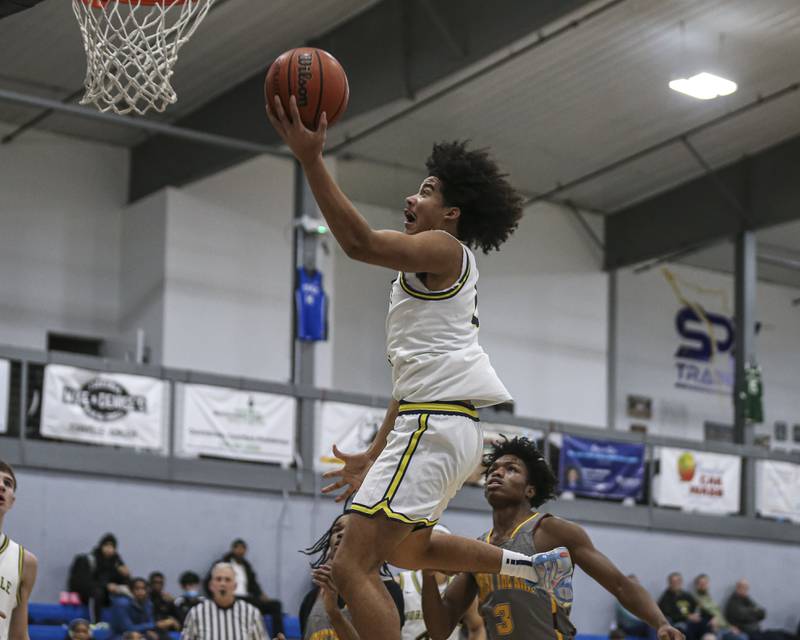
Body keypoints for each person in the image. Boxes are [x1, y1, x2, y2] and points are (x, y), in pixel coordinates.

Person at [267, 95, 571, 640]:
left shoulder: (444, 248)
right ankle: (532, 567)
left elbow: (358, 243)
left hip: (433, 426)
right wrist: (374, 452)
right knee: (410, 550)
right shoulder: (438, 271)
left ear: (451, 213)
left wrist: (311, 159)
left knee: (350, 566)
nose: (412, 197)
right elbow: (411, 384)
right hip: (437, 424)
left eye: (427, 191)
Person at [417, 437, 684, 640]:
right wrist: (428, 575)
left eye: (511, 469)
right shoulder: (477, 550)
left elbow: (620, 585)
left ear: (530, 489)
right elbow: (440, 630)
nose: (497, 473)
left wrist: (660, 622)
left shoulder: (552, 532)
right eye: (494, 469)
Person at [298, 513, 405, 640]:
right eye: (336, 530)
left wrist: (334, 614)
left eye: (350, 530)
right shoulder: (311, 598)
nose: (341, 534)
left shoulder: (389, 591)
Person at [397, 525, 485, 640]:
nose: (437, 553)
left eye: (441, 548)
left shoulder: (460, 587)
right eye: (433, 548)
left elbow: (477, 627)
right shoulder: (401, 582)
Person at [206, 539, 284, 636]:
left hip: (248, 599)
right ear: (233, 549)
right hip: (231, 598)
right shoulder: (222, 565)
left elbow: (254, 585)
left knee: (275, 605)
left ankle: (278, 636)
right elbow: (209, 582)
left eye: (243, 548)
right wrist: (215, 596)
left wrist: (262, 596)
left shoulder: (246, 566)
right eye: (238, 548)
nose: (240, 551)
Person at [0, 460, 39, 640]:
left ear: (12, 501)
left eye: (7, 483)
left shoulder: (24, 561)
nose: (1, 486)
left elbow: (18, 635)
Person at [182, 563, 266, 640]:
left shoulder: (251, 613)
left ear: (235, 586)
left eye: (227, 580)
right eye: (218, 579)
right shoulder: (196, 613)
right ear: (211, 585)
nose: (223, 584)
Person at [68, 533, 131, 621]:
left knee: (127, 596)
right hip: (90, 594)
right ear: (101, 546)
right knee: (97, 593)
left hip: (108, 595)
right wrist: (106, 586)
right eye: (106, 545)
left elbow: (125, 583)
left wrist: (126, 575)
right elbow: (84, 582)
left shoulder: (117, 562)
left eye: (112, 546)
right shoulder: (90, 559)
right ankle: (95, 623)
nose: (109, 549)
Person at [110, 577, 179, 640]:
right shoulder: (122, 603)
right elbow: (128, 628)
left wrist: (150, 630)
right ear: (131, 591)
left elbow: (149, 623)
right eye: (137, 589)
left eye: (143, 589)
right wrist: (156, 625)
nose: (141, 592)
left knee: (160, 636)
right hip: (119, 636)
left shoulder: (148, 604)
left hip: (140, 634)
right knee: (134, 636)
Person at [693, 574, 746, 640]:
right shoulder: (695, 599)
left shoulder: (709, 598)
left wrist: (730, 627)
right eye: (701, 583)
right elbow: (697, 616)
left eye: (706, 583)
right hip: (714, 629)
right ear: (697, 585)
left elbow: (720, 616)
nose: (704, 585)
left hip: (725, 627)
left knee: (743, 636)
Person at [658, 573, 707, 640]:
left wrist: (700, 615)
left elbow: (698, 606)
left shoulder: (686, 595)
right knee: (685, 628)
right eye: (673, 582)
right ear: (669, 583)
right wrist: (687, 617)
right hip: (676, 623)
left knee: (704, 624)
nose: (676, 584)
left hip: (690, 622)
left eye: (678, 581)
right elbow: (668, 614)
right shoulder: (666, 598)